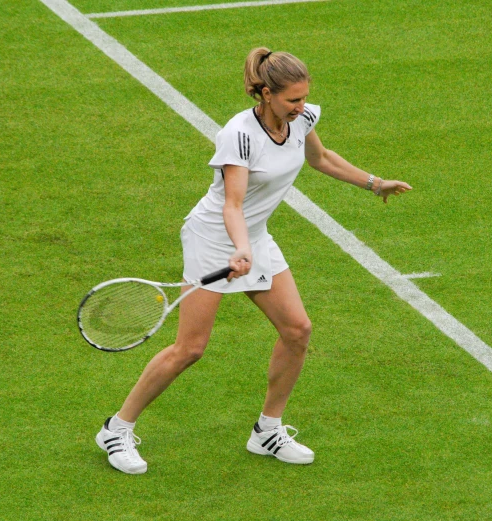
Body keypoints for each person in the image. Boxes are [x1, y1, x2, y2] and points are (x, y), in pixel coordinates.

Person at [95, 48, 412, 474]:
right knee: (190, 348)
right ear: (265, 93)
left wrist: (373, 183)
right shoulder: (238, 134)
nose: (301, 108)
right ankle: (116, 428)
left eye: (304, 98)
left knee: (297, 330)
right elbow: (232, 203)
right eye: (292, 100)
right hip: (213, 238)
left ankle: (267, 430)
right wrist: (239, 248)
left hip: (253, 238)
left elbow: (320, 158)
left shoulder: (304, 118)